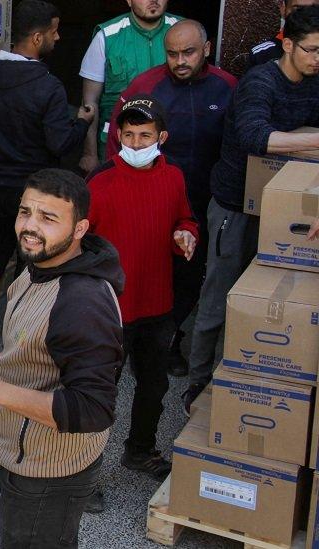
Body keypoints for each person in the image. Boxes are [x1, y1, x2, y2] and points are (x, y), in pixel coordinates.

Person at [0, 169, 123, 549]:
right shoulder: (38, 269)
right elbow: (24, 351)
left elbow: (94, 410)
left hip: (47, 473)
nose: (30, 227)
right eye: (25, 212)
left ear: (80, 228)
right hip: (24, 454)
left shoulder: (81, 305)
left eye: (48, 218)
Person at [183, 6, 319, 412]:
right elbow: (255, 135)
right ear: (288, 45)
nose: (317, 58)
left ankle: (254, 378)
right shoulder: (260, 81)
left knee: (271, 299)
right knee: (219, 297)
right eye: (311, 50)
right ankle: (198, 385)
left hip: (287, 207)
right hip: (236, 205)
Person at [0, 0, 95, 351]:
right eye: (53, 31)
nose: (58, 37)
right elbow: (60, 142)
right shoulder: (47, 87)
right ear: (36, 38)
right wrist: (82, 122)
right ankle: (17, 329)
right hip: (32, 190)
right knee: (31, 255)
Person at [104, 20, 237, 377]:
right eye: (172, 53)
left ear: (206, 49)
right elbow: (118, 140)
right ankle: (129, 342)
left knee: (189, 276)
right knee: (143, 270)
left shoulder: (227, 87)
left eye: (188, 52)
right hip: (149, 198)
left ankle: (170, 340)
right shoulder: (146, 85)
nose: (180, 60)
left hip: (204, 201)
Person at [88, 96, 198, 486]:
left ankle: (140, 450)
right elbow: (78, 241)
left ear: (161, 137)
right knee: (99, 392)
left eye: (144, 136)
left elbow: (184, 218)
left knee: (153, 386)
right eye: (128, 135)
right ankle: (84, 472)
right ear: (117, 135)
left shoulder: (174, 178)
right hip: (111, 308)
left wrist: (186, 234)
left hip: (157, 305)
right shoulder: (100, 182)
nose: (135, 144)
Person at [79, 0, 180, 173]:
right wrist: (90, 154)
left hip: (171, 145)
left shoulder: (183, 30)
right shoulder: (107, 35)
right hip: (117, 146)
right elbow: (90, 103)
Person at [248, 0, 317, 69]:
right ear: (283, 8)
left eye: (314, 10)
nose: (307, 17)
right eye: (298, 9)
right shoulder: (262, 54)